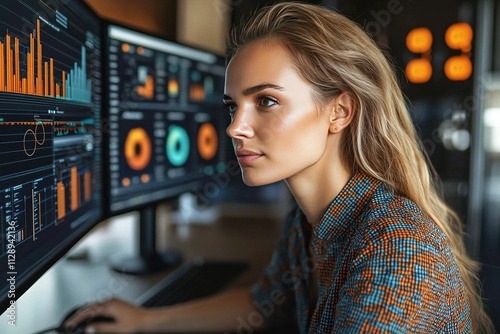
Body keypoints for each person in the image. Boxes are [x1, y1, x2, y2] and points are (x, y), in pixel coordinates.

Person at [67, 2, 494, 333]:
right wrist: (146, 322)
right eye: (233, 106)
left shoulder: (395, 254)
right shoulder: (309, 219)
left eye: (266, 101)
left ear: (339, 111)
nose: (234, 127)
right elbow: (263, 301)